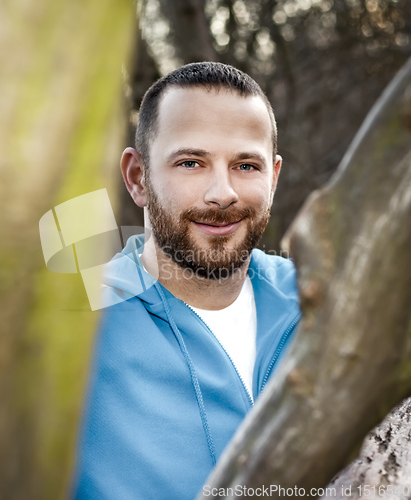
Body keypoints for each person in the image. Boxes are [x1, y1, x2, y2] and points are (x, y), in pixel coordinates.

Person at [73, 62, 301, 500]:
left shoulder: (325, 298)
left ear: (273, 177)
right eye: (191, 162)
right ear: (138, 178)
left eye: (246, 166)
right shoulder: (72, 325)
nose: (222, 193)